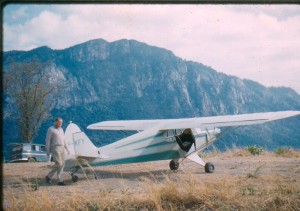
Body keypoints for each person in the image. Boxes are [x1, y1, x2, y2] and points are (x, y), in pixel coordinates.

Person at [45, 117, 70, 186]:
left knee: (62, 165)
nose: (60, 124)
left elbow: (64, 140)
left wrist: (67, 148)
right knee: (59, 164)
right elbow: (47, 140)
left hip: (62, 148)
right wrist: (47, 150)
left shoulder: (61, 129)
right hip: (55, 148)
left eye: (61, 123)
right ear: (55, 122)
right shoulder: (51, 129)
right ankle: (49, 176)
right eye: (59, 122)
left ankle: (60, 181)